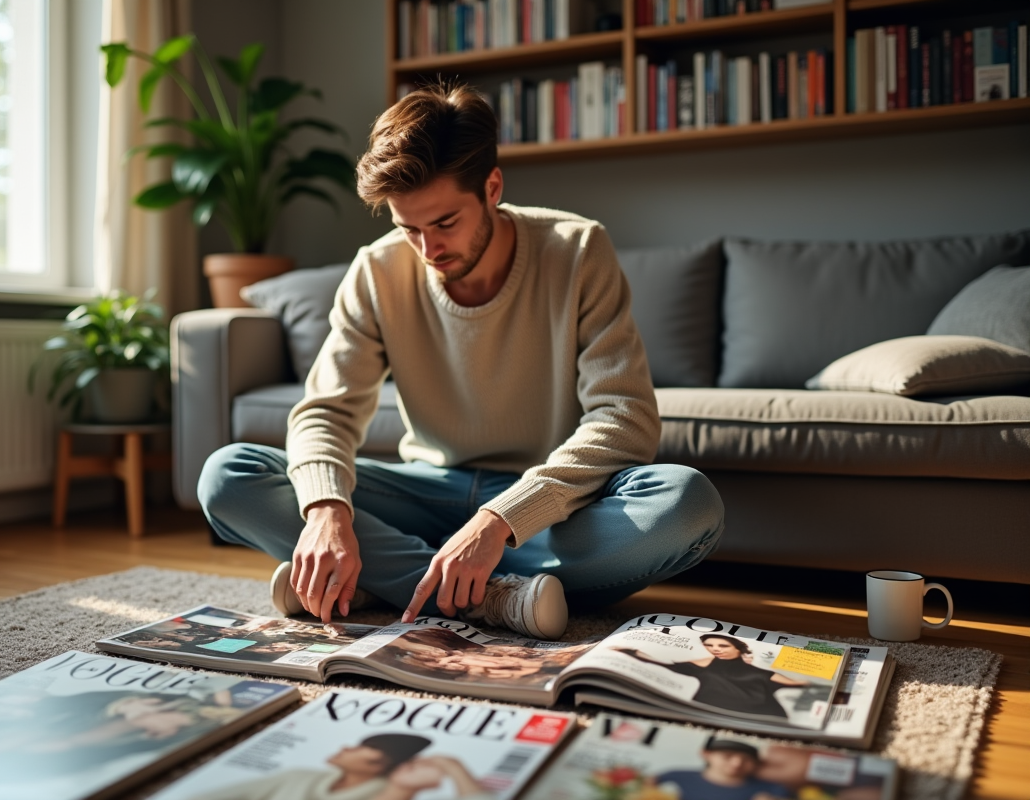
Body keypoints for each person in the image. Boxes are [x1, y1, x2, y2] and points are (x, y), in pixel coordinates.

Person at [198, 82, 725, 640]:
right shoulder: (376, 271)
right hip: (427, 490)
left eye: (445, 222)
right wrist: (327, 511)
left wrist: (500, 521)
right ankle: (492, 597)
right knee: (229, 475)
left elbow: (625, 419)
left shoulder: (577, 250)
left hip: (544, 508)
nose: (428, 249)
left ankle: (381, 583)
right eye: (408, 229)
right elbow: (324, 413)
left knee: (687, 504)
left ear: (492, 187)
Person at [184, 734, 495, 800]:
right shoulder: (299, 778)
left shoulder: (391, 792)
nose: (344, 746)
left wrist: (455, 768)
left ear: (378, 761)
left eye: (360, 746)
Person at [618, 634, 809, 719]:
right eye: (710, 645)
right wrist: (630, 650)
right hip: (709, 709)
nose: (715, 649)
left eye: (722, 646)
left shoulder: (758, 670)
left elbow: (798, 684)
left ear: (738, 648)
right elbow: (662, 663)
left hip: (762, 715)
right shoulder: (704, 662)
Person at [655, 739, 792, 800]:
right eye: (728, 756)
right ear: (706, 755)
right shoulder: (674, 777)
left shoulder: (772, 789)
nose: (737, 763)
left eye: (746, 759)